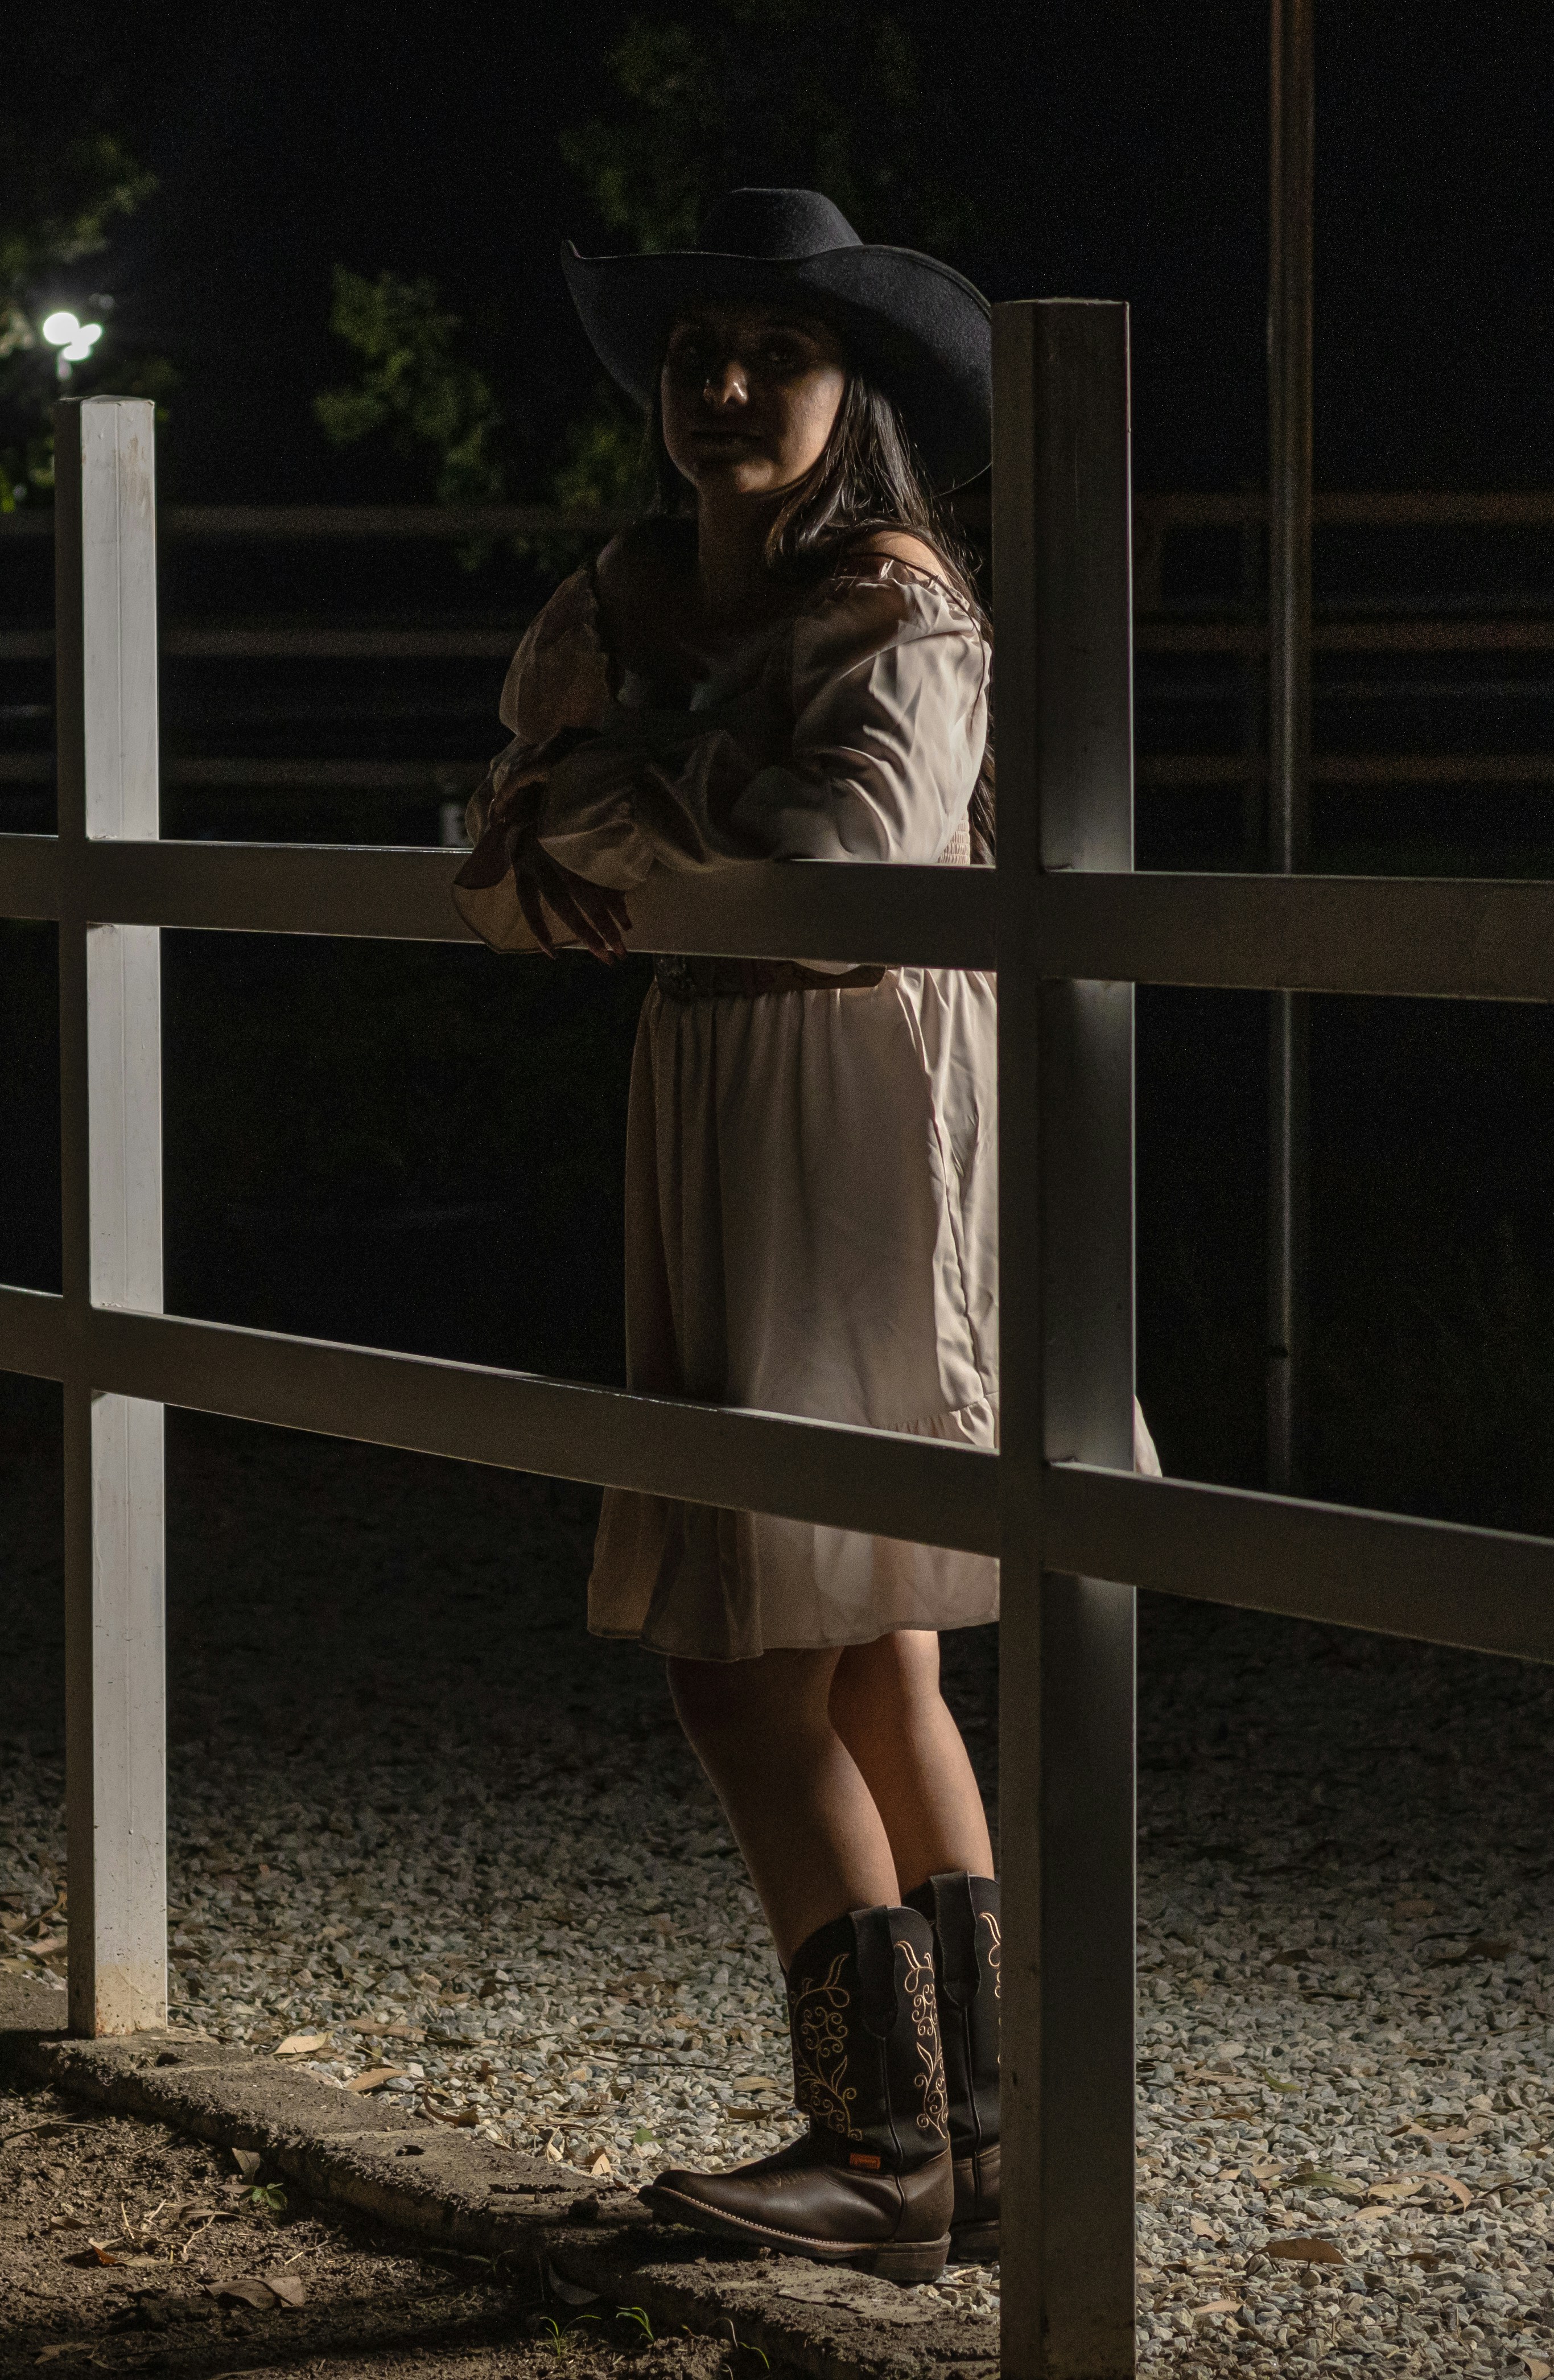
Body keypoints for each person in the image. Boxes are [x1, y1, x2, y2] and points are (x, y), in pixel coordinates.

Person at [452, 188, 1158, 2284]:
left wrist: (615, 813)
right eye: (697, 353)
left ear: (851, 392)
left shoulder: (900, 612)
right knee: (853, 1650)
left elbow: (840, 866)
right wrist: (601, 823)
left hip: (850, 1114)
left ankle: (886, 2139)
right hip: (712, 1082)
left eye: (774, 351)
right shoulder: (624, 596)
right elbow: (495, 859)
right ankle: (983, 2136)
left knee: (753, 1646)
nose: (728, 385)